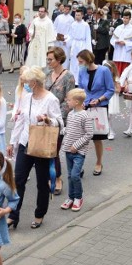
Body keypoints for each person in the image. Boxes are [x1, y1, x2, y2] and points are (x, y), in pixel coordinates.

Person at [7, 66, 63, 229]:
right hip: (26, 142)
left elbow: (60, 123)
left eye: (26, 81)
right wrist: (12, 142)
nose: (24, 84)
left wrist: (47, 119)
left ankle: (40, 213)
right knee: (18, 180)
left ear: (34, 82)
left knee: (41, 182)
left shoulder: (50, 99)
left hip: (41, 144)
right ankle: (13, 215)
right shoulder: (27, 97)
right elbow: (21, 121)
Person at [77, 50, 115, 174]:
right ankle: (79, 165)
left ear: (88, 60)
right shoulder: (82, 71)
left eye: (81, 61)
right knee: (82, 137)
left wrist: (99, 99)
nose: (79, 64)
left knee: (96, 138)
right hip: (85, 105)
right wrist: (80, 101)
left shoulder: (104, 70)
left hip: (99, 106)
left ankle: (99, 162)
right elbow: (81, 89)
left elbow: (110, 90)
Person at [45, 47, 75, 194]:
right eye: (48, 59)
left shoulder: (68, 76)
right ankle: (47, 175)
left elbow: (69, 100)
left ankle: (57, 178)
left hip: (58, 119)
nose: (48, 62)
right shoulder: (47, 74)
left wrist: (55, 116)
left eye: (51, 59)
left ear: (59, 60)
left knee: (54, 150)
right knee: (44, 149)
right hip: (43, 119)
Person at [59, 88, 94, 212]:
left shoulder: (85, 115)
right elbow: (69, 129)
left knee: (75, 175)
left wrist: (76, 146)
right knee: (69, 175)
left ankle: (78, 198)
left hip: (78, 152)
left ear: (77, 102)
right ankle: (70, 197)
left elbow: (89, 133)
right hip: (68, 150)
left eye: (69, 100)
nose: (66, 101)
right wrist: (60, 130)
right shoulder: (70, 114)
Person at [110, 10, 132, 76]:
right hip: (118, 53)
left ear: (129, 19)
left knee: (124, 72)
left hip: (126, 54)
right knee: (116, 72)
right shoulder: (118, 27)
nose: (125, 20)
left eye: (127, 18)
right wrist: (116, 42)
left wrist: (125, 43)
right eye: (124, 18)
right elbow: (112, 40)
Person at [66, 10, 92, 79]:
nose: (77, 17)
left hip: (82, 44)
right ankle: (73, 78)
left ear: (82, 16)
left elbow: (88, 38)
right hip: (74, 44)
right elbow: (70, 35)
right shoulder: (73, 24)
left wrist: (88, 49)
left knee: (81, 61)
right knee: (73, 61)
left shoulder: (85, 25)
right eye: (76, 15)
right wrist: (67, 41)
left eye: (78, 15)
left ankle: (81, 78)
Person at [102, 60, 120, 140]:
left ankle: (111, 131)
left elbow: (118, 90)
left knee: (109, 116)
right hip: (104, 97)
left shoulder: (115, 78)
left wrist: (111, 89)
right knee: (105, 115)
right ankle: (107, 130)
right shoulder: (103, 77)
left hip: (112, 98)